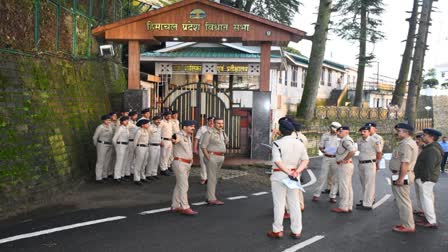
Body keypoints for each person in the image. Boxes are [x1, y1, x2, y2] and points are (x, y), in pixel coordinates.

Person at [266, 119, 309, 239]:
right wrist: (297, 172)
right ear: (292, 131)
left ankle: (277, 230)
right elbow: (305, 160)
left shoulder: (277, 143)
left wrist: (287, 172)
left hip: (279, 175)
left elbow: (277, 161)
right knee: (294, 203)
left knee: (279, 204)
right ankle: (296, 231)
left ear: (281, 131)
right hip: (294, 176)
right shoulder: (299, 143)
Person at [389, 123, 419, 233]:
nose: (396, 132)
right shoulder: (404, 143)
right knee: (402, 200)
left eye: (399, 131)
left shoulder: (406, 144)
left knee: (403, 201)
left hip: (402, 174)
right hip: (400, 174)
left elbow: (405, 163)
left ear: (406, 132)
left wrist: (401, 178)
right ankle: (406, 223)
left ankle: (408, 225)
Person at [414, 128, 443, 228]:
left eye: (425, 135)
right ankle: (429, 218)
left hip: (426, 179)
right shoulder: (430, 147)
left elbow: (429, 166)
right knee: (426, 199)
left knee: (426, 200)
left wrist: (424, 179)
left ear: (431, 137)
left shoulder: (432, 149)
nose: (422, 137)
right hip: (426, 178)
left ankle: (431, 221)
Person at [171, 120, 198, 216]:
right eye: (191, 126)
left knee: (180, 184)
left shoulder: (188, 136)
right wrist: (174, 139)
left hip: (186, 164)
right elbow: (175, 139)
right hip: (180, 163)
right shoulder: (179, 134)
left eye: (193, 126)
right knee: (184, 185)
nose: (193, 128)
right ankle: (185, 207)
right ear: (185, 127)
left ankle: (175, 205)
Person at [201, 117, 228, 205]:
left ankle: (209, 196)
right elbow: (203, 146)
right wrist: (208, 157)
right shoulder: (208, 133)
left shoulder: (222, 132)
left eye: (222, 123)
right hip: (212, 157)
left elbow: (226, 142)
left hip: (220, 157)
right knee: (212, 178)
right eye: (218, 123)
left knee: (214, 178)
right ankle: (211, 199)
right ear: (214, 123)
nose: (220, 125)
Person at [313, 122, 341, 203]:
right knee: (322, 176)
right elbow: (321, 147)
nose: (333, 131)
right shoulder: (325, 135)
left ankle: (333, 195)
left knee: (335, 178)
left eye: (335, 130)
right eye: (332, 129)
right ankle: (316, 194)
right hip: (326, 157)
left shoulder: (340, 137)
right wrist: (324, 151)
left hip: (336, 158)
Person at [356, 126, 381, 210]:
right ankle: (366, 200)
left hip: (370, 164)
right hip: (361, 164)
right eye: (361, 131)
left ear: (369, 132)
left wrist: (377, 163)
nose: (362, 133)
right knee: (363, 183)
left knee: (369, 184)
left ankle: (367, 204)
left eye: (365, 131)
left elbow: (379, 152)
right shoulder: (359, 140)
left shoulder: (374, 141)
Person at [331, 126, 356, 213]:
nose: (338, 133)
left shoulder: (346, 140)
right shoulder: (345, 140)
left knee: (344, 186)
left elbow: (352, 151)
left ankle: (343, 206)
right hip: (347, 165)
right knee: (348, 186)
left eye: (340, 131)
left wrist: (345, 159)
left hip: (344, 165)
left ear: (345, 132)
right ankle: (348, 205)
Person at [93, 114, 113, 183]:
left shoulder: (110, 126)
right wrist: (97, 146)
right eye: (107, 120)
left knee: (107, 161)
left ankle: (105, 175)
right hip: (102, 144)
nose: (109, 121)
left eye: (109, 120)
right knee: (100, 161)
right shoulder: (100, 127)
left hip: (109, 144)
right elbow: (95, 137)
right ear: (103, 120)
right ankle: (98, 177)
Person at [194, 116, 215, 185]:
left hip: (212, 148)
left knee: (211, 163)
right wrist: (195, 148)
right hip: (202, 148)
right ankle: (203, 178)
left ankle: (210, 179)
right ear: (207, 121)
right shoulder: (202, 128)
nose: (211, 122)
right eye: (210, 121)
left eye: (213, 121)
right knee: (203, 163)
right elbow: (197, 138)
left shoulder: (216, 129)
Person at [133, 119, 151, 185]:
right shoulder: (139, 131)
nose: (148, 125)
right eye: (146, 124)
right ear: (142, 125)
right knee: (138, 163)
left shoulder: (146, 131)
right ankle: (136, 179)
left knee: (144, 163)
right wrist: (134, 150)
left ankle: (142, 176)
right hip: (140, 147)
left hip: (146, 147)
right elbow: (135, 141)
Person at [112, 116, 130, 182]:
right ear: (122, 122)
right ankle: (116, 177)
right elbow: (114, 139)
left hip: (126, 145)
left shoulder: (126, 128)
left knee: (124, 161)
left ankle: (122, 175)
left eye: (127, 120)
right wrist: (116, 147)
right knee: (119, 162)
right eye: (125, 120)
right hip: (120, 145)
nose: (127, 122)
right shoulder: (120, 128)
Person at [145, 115, 162, 180]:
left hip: (158, 145)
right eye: (157, 120)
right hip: (152, 145)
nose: (159, 121)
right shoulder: (150, 127)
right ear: (153, 120)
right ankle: (148, 174)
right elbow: (147, 136)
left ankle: (154, 173)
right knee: (151, 160)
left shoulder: (159, 127)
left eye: (159, 120)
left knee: (156, 160)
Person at [125, 111, 139, 179]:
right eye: (135, 116)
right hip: (130, 141)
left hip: (134, 141)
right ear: (130, 116)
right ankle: (127, 173)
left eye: (136, 116)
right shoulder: (129, 123)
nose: (136, 117)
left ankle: (131, 172)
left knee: (133, 158)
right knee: (129, 158)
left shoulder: (135, 123)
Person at [160, 111, 173, 176]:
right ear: (164, 116)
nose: (169, 117)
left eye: (170, 116)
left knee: (168, 155)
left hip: (169, 140)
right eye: (167, 116)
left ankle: (166, 168)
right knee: (163, 155)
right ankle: (163, 169)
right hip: (164, 140)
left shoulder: (170, 122)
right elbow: (158, 131)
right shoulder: (162, 122)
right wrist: (160, 140)